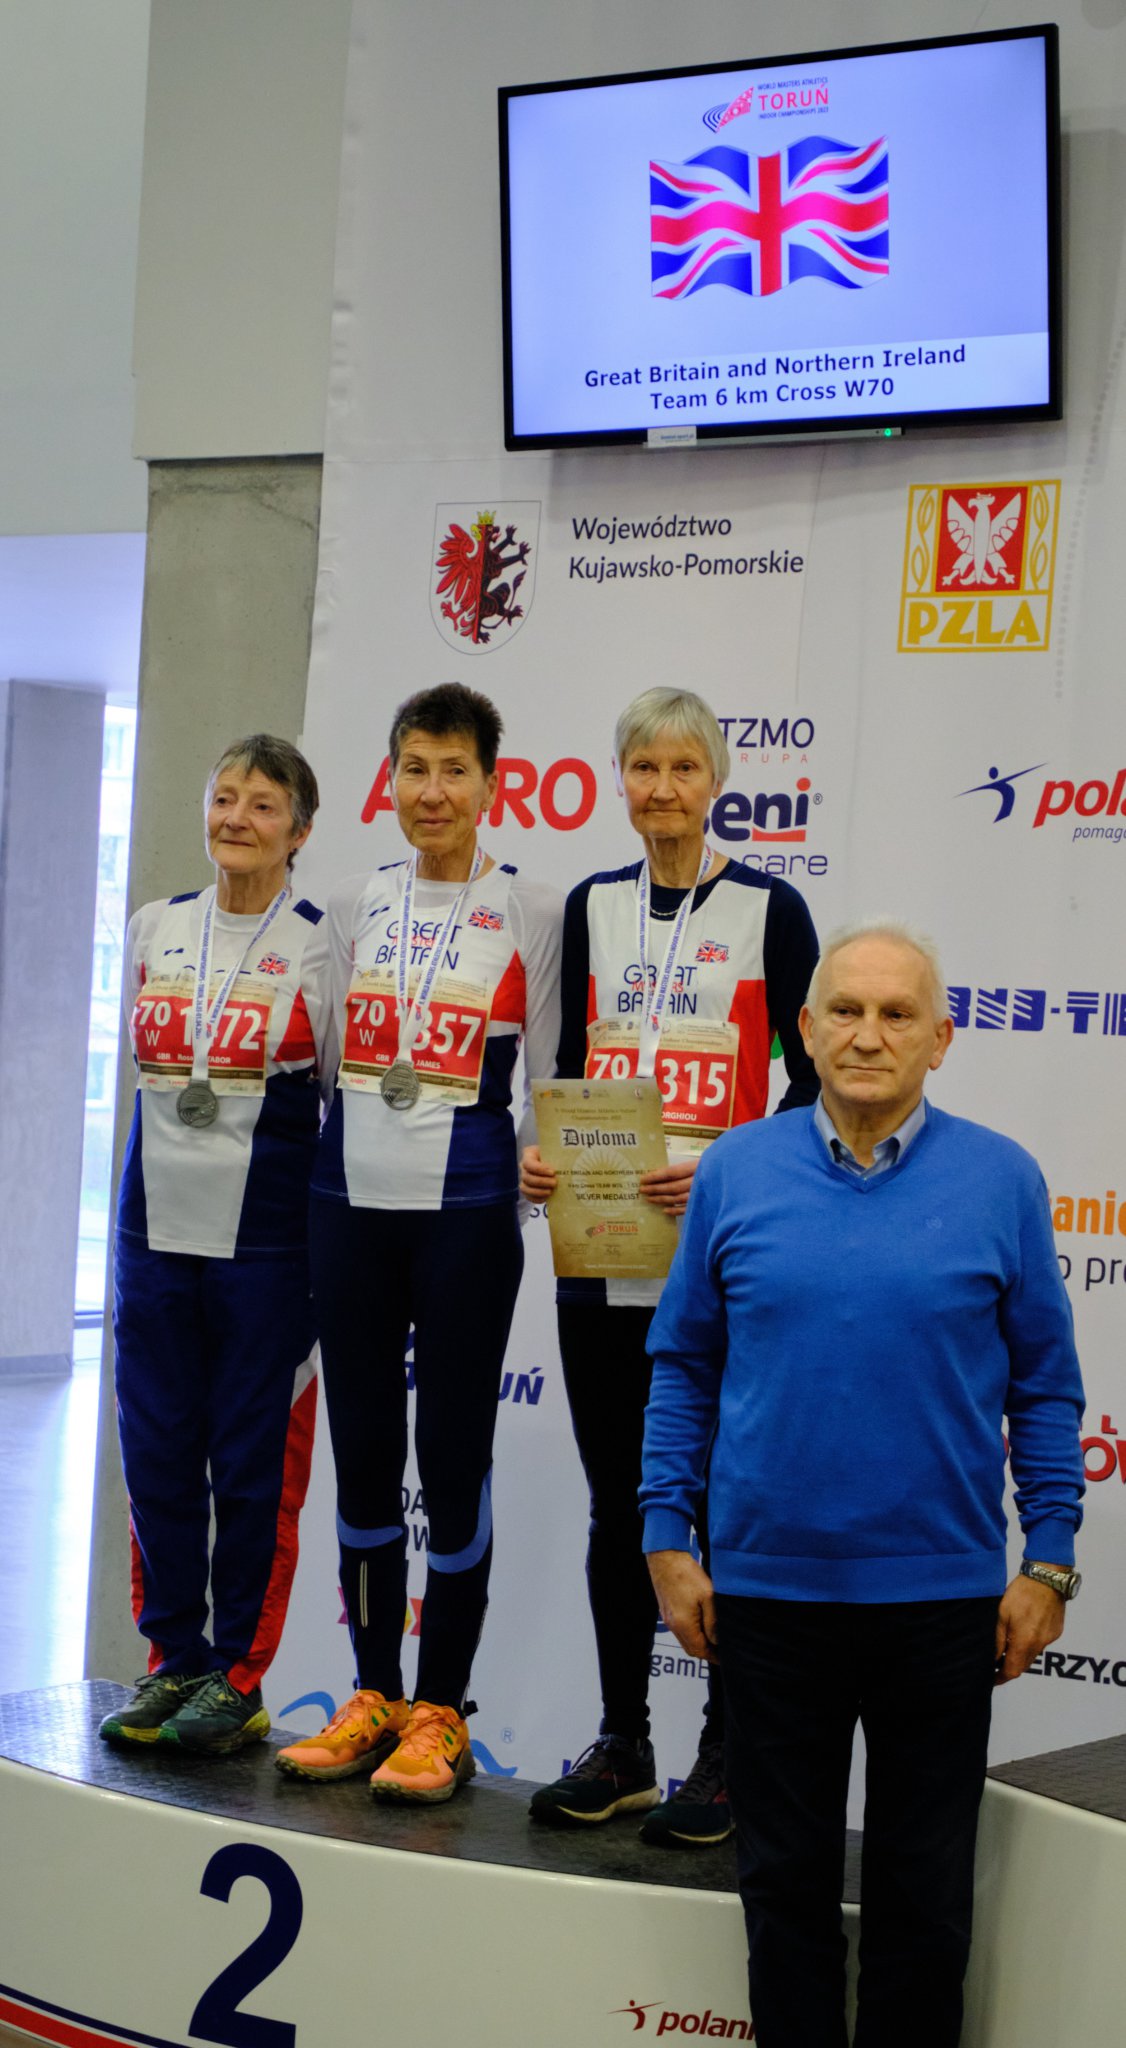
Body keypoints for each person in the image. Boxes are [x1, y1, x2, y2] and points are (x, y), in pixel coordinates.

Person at [641, 920, 1085, 2046]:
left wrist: (1048, 1560)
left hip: (940, 1606)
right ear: (806, 1028)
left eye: (897, 1014)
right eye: (846, 1009)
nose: (868, 1035)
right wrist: (666, 1535)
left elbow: (1044, 1386)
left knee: (922, 1906)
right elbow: (684, 1362)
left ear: (941, 1037)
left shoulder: (1002, 1178)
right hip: (768, 1601)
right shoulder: (735, 1169)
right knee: (782, 1893)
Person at [522, 686, 818, 1844]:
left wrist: (732, 1164)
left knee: (724, 1505)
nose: (661, 788)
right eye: (642, 767)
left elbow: (810, 1080)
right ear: (620, 781)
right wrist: (542, 1155)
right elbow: (564, 1063)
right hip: (600, 1251)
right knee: (620, 1504)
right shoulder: (592, 905)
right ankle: (624, 1741)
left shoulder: (769, 910)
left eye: (683, 767)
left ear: (716, 782)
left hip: (722, 1251)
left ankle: (727, 1753)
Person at [275, 682, 562, 1802]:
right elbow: (332, 1061)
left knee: (451, 1459)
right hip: (348, 1207)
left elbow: (548, 1076)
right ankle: (372, 1691)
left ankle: (441, 1705)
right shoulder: (352, 904)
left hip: (468, 1219)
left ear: (492, 783)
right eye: (413, 769)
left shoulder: (531, 909)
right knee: (361, 1455)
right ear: (388, 780)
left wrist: (525, 1178)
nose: (431, 791)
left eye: (453, 770)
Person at [100, 734, 326, 1756]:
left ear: (300, 830)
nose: (237, 817)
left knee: (250, 1463)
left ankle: (237, 1672)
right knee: (155, 1452)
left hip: (267, 1243)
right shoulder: (155, 925)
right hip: (152, 1230)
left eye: (263, 804)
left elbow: (336, 1098)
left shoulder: (321, 946)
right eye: (224, 796)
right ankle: (174, 1657)